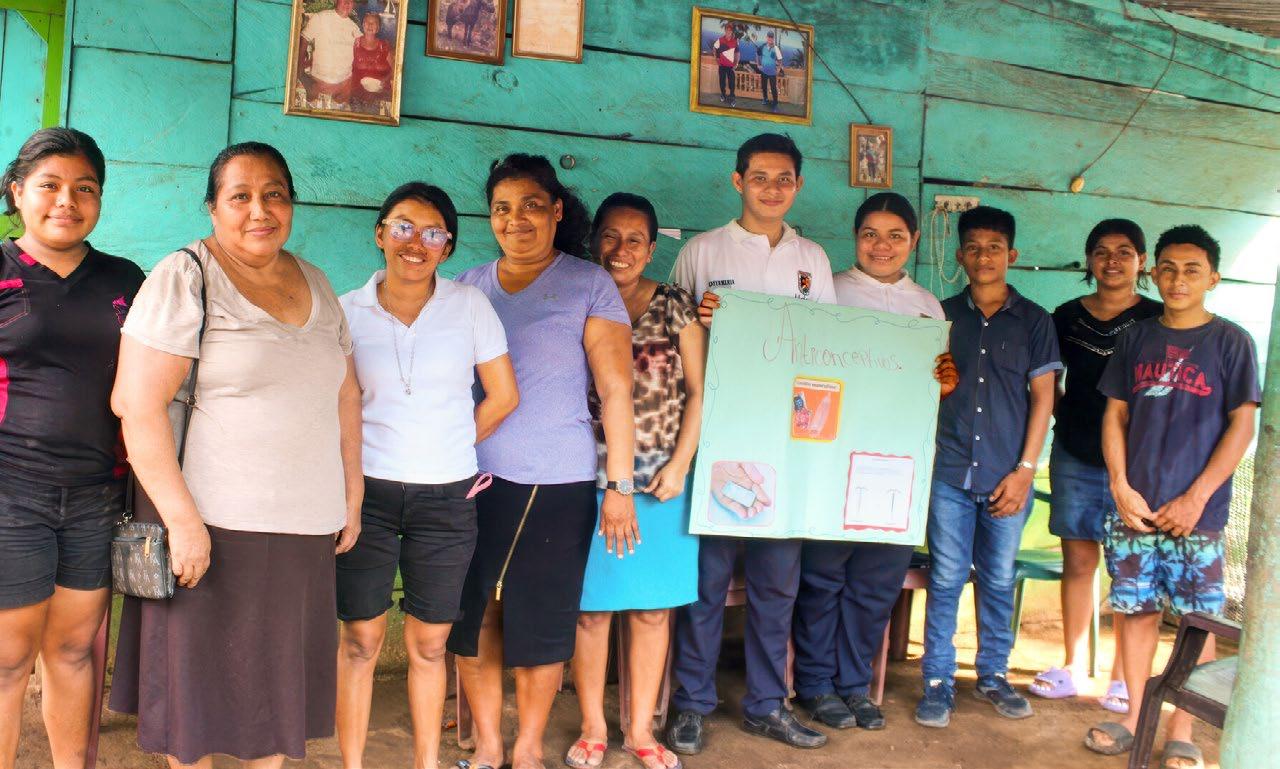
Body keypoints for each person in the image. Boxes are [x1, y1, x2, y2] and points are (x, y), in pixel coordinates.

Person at [109, 142, 363, 768]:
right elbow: (136, 407)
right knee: (195, 712)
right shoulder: (185, 276)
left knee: (272, 707)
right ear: (212, 206)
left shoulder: (317, 282)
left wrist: (351, 496)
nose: (259, 210)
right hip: (210, 527)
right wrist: (183, 523)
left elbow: (345, 396)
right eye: (240, 196)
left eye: (275, 194)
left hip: (303, 528)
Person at [445, 154, 636, 769]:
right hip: (472, 478)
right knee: (474, 613)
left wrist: (620, 486)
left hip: (559, 481)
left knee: (542, 618)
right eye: (502, 208)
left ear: (556, 211)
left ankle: (527, 745)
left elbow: (616, 390)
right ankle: (490, 743)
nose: (516, 219)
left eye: (531, 205)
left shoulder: (589, 283)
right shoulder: (467, 285)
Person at [334, 183, 518, 769]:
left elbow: (503, 395)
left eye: (433, 233)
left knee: (430, 644)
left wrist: (451, 443)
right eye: (403, 226)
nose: (416, 242)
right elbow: (335, 403)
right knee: (360, 640)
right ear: (380, 233)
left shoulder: (470, 306)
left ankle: (426, 764)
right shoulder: (345, 311)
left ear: (448, 247)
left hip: (447, 497)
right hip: (366, 494)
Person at [666, 133, 834, 754]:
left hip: (789, 439)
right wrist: (702, 320)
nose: (771, 188)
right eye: (759, 177)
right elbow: (671, 334)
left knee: (776, 582)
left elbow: (827, 344)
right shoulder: (703, 251)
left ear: (798, 185)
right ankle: (691, 704)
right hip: (717, 434)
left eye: (784, 178)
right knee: (707, 580)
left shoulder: (811, 258)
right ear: (738, 181)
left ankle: (767, 703)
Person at [1085, 225, 1259, 769]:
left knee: (1195, 624)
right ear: (1153, 273)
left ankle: (1183, 728)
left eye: (1191, 270)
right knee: (1135, 613)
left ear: (1213, 278)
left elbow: (1242, 426)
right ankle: (1136, 718)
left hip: (1197, 516)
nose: (1178, 280)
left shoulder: (1231, 342)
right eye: (1168, 269)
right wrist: (1120, 486)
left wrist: (1196, 498)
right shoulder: (1135, 339)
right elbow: (1114, 415)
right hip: (1135, 510)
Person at [0, 128, 144, 769]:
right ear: (17, 192)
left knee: (73, 650)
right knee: (7, 660)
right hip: (11, 492)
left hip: (96, 496)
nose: (67, 200)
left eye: (85, 188)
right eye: (50, 185)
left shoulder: (124, 279)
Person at [791, 192, 957, 732]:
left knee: (875, 583)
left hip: (897, 466)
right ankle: (816, 684)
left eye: (895, 236)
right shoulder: (829, 291)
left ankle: (854, 685)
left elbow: (931, 385)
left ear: (913, 241)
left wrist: (944, 383)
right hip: (830, 460)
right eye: (870, 234)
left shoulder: (928, 307)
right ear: (855, 237)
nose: (881, 246)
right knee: (823, 577)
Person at [567, 194, 706, 769]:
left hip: (660, 485)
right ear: (593, 240)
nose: (619, 249)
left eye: (634, 240)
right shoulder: (577, 297)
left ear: (651, 249)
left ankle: (642, 732)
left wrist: (680, 463)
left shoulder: (674, 305)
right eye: (609, 236)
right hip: (586, 479)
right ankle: (592, 728)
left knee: (652, 612)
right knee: (591, 611)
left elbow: (700, 391)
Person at [914, 205, 1061, 729]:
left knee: (998, 579)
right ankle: (937, 681)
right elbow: (919, 390)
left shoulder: (1035, 321)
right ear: (960, 255)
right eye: (974, 247)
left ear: (1011, 255)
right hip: (950, 471)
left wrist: (1026, 470)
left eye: (994, 247)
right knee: (947, 577)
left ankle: (994, 675)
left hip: (1007, 474)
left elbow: (1044, 399)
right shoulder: (940, 315)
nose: (984, 257)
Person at [1029, 220, 1161, 711]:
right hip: (1076, 453)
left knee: (1129, 568)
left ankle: (1124, 679)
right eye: (1101, 251)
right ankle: (1071, 666)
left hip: (1137, 461)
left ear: (1141, 261)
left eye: (1124, 252)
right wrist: (1069, 417)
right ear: (1088, 260)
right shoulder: (1066, 317)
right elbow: (1048, 380)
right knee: (1079, 562)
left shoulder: (1156, 317)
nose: (1112, 260)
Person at [300, 0, 361, 105]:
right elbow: (303, 41)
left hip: (344, 87)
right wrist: (300, 71)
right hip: (319, 84)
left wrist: (349, 87)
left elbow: (361, 54)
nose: (347, 3)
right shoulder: (320, 17)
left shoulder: (354, 28)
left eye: (351, 0)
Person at [350, 11, 393, 109]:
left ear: (378, 27)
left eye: (374, 23)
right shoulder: (355, 43)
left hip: (381, 96)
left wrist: (384, 81)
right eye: (367, 22)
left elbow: (395, 70)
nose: (370, 25)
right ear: (363, 25)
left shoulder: (385, 46)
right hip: (358, 97)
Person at [712, 22, 738, 106]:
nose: (728, 31)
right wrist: (716, 59)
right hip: (722, 65)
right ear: (725, 30)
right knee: (722, 82)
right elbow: (714, 48)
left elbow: (737, 53)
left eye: (730, 30)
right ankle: (723, 95)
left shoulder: (735, 41)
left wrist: (736, 63)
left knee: (732, 83)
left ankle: (732, 98)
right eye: (727, 30)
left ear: (732, 31)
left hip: (731, 66)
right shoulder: (720, 40)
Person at [756, 32, 784, 111]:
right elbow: (757, 54)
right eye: (769, 37)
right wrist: (758, 65)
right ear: (766, 37)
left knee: (773, 88)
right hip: (764, 71)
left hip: (772, 73)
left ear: (773, 38)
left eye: (771, 37)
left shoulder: (776, 48)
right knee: (764, 86)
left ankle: (775, 104)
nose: (770, 39)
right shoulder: (762, 47)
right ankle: (765, 99)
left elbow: (780, 59)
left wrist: (778, 69)